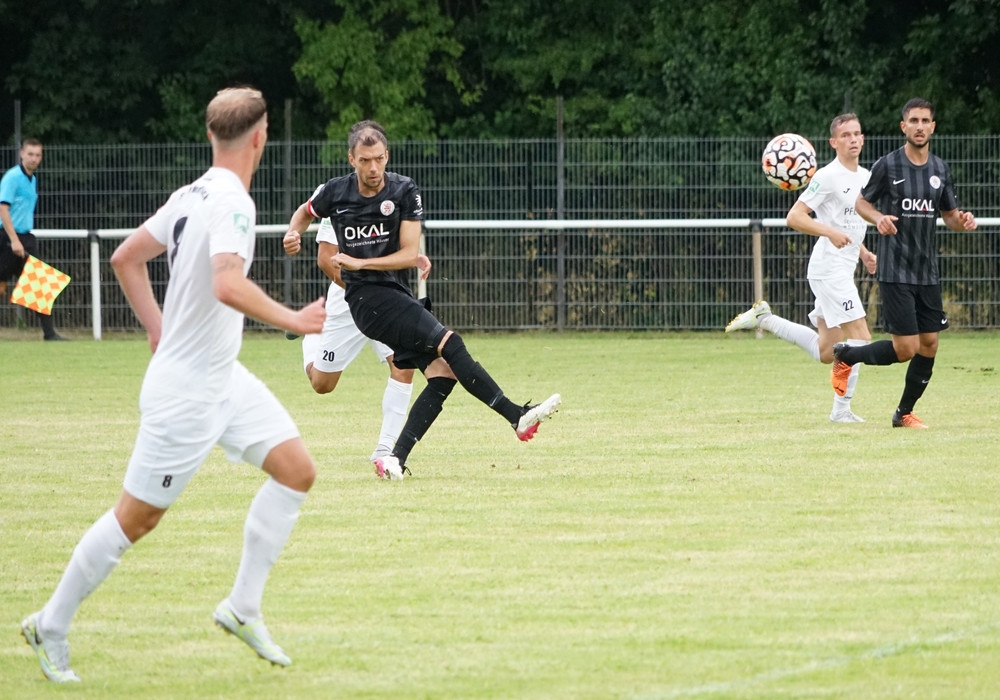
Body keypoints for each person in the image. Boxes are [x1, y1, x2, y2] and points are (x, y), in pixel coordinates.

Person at [21, 86, 326, 683]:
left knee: (296, 471)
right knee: (134, 520)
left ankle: (242, 607)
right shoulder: (233, 202)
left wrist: (157, 329)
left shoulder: (191, 193)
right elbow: (226, 284)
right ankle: (50, 624)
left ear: (211, 135)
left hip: (221, 377)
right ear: (260, 137)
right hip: (186, 393)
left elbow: (126, 258)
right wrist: (294, 320)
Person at [284, 120, 561, 481]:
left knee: (442, 373)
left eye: (379, 159)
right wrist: (293, 233)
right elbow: (308, 216)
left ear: (387, 156)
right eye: (365, 160)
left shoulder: (403, 190)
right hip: (364, 299)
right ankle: (515, 415)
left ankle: (392, 457)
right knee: (332, 381)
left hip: (395, 293)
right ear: (352, 159)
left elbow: (405, 250)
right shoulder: (335, 192)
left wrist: (380, 260)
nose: (373, 167)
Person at [831, 98, 977, 429]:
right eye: (914, 121)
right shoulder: (888, 165)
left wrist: (963, 221)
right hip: (895, 268)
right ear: (904, 126)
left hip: (927, 271)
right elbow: (861, 203)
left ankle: (903, 414)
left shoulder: (940, 169)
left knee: (930, 344)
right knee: (906, 348)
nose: (920, 126)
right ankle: (847, 355)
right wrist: (878, 218)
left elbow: (950, 216)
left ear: (933, 127)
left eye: (925, 121)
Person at [726, 113, 876, 423]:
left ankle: (765, 319)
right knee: (861, 336)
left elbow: (847, 223)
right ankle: (841, 411)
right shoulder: (827, 176)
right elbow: (795, 217)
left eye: (856, 134)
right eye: (845, 135)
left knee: (826, 351)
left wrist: (862, 251)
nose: (852, 139)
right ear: (833, 142)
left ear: (862, 139)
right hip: (828, 268)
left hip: (842, 267)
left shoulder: (865, 176)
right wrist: (830, 233)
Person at [283, 216, 431, 465]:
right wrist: (363, 289)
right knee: (322, 384)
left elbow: (387, 243)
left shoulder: (391, 199)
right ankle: (313, 333)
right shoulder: (337, 200)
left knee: (404, 366)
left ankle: (385, 451)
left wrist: (410, 257)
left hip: (386, 297)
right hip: (347, 301)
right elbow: (325, 259)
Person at [0, 138, 67, 340]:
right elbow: (3, 208)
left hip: (25, 237)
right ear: (22, 154)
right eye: (30, 154)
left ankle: (50, 334)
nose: (34, 159)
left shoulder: (32, 179)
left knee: (40, 284)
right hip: (7, 238)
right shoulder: (12, 177)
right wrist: (14, 240)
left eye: (38, 155)